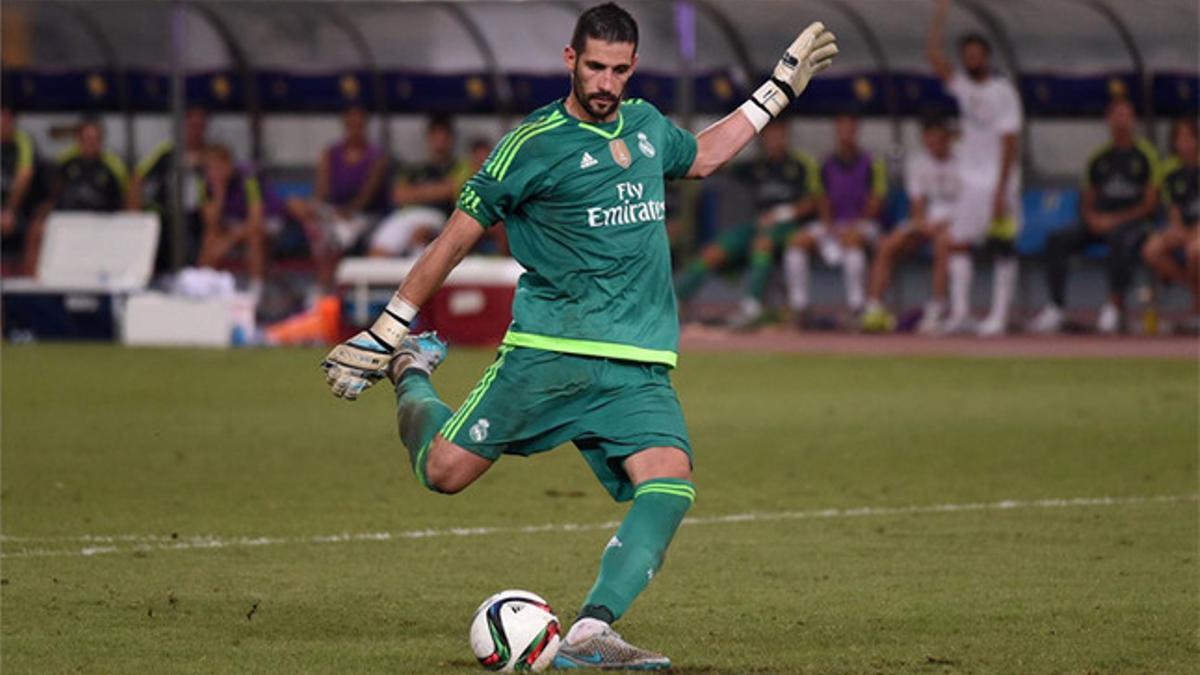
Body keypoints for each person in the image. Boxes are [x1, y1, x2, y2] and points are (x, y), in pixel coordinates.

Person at [318, 3, 836, 668]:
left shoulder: (646, 125)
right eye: (595, 66)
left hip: (637, 361)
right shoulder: (532, 145)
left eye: (619, 69)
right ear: (571, 60)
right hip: (550, 352)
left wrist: (778, 91)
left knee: (671, 480)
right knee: (444, 472)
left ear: (633, 68)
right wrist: (390, 329)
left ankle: (592, 629)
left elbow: (703, 155)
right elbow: (457, 235)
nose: (606, 82)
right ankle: (412, 372)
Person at [927, 0, 1022, 336]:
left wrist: (1001, 188)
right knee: (957, 242)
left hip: (997, 183)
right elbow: (936, 59)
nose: (971, 59)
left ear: (987, 56)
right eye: (966, 53)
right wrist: (940, 13)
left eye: (976, 53)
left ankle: (998, 314)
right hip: (971, 183)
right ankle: (962, 312)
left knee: (1001, 246)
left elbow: (1010, 142)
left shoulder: (1002, 92)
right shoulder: (964, 89)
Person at [1026, 99, 1160, 335]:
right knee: (1057, 239)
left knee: (1121, 237)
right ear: (1108, 120)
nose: (1121, 121)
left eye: (1125, 115)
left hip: (1133, 223)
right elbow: (1087, 198)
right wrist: (1093, 219)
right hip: (1099, 221)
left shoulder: (1145, 155)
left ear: (1133, 120)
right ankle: (1056, 307)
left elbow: (1150, 205)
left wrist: (1115, 220)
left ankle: (1113, 307)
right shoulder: (1099, 157)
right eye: (1116, 115)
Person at [673, 118, 822, 327]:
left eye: (779, 134)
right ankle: (675, 300)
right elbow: (718, 163)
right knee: (715, 250)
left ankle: (753, 306)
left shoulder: (801, 164)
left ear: (786, 136)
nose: (774, 140)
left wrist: (781, 214)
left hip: (789, 228)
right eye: (770, 135)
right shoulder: (755, 166)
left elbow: (813, 202)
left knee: (763, 243)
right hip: (757, 226)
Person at [862, 114, 960, 333]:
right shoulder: (919, 164)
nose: (934, 145)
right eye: (929, 140)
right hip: (926, 222)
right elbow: (917, 205)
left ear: (947, 138)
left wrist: (941, 225)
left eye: (939, 139)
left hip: (955, 224)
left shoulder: (962, 162)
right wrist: (921, 225)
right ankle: (873, 306)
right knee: (888, 243)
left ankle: (938, 307)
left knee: (942, 244)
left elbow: (967, 204)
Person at [783, 113, 885, 323]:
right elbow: (822, 200)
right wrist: (829, 227)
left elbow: (875, 203)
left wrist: (854, 226)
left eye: (850, 129)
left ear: (856, 131)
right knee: (797, 242)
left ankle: (856, 307)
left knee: (852, 243)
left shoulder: (872, 162)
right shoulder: (824, 164)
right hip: (833, 224)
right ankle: (799, 307)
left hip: (864, 224)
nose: (845, 134)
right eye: (841, 129)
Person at [287, 106, 389, 289]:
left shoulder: (376, 157)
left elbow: (366, 196)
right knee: (298, 206)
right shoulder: (331, 153)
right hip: (334, 212)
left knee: (334, 235)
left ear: (365, 127)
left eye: (359, 125)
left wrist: (347, 212)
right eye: (351, 125)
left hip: (364, 216)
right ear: (345, 126)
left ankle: (328, 286)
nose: (355, 130)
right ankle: (324, 283)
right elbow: (321, 192)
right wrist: (316, 208)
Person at [24, 117, 128, 274]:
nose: (91, 143)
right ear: (79, 140)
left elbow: (124, 199)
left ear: (101, 141)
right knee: (37, 229)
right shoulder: (67, 162)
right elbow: (53, 194)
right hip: (67, 222)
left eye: (95, 139)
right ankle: (34, 282)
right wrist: (42, 216)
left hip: (100, 223)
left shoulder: (113, 165)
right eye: (87, 138)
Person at [368, 114, 474, 258]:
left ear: (451, 140)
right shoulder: (416, 169)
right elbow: (398, 195)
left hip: (439, 216)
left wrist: (416, 192)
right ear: (429, 138)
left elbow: (450, 191)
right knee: (379, 246)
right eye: (436, 137)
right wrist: (434, 190)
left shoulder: (461, 166)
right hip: (405, 215)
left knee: (419, 233)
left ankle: (421, 278)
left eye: (444, 137)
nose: (440, 143)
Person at [128, 106, 210, 272]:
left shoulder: (209, 154)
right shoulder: (166, 151)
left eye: (199, 126)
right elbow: (138, 176)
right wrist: (134, 212)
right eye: (191, 126)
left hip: (196, 215)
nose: (195, 131)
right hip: (166, 213)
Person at [1141, 118, 1199, 328]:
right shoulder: (1168, 169)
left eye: (1189, 138)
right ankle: (1195, 289)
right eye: (1180, 138)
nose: (1185, 143)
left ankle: (1197, 306)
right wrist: (1177, 230)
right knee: (1152, 250)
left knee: (1195, 251)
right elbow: (1172, 204)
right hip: (1183, 227)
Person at [196, 144, 267, 291]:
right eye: (209, 168)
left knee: (255, 236)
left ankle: (256, 287)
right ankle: (203, 283)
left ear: (228, 165)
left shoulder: (248, 179)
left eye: (218, 167)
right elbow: (210, 222)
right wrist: (219, 194)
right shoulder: (205, 185)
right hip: (227, 228)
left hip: (249, 227)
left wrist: (228, 241)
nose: (213, 173)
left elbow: (255, 220)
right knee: (210, 236)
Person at [1, 106, 41, 269]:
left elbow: (24, 176)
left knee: (34, 228)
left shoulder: (23, 141)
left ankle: (26, 282)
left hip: (22, 207)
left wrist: (9, 210)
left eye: (6, 121)